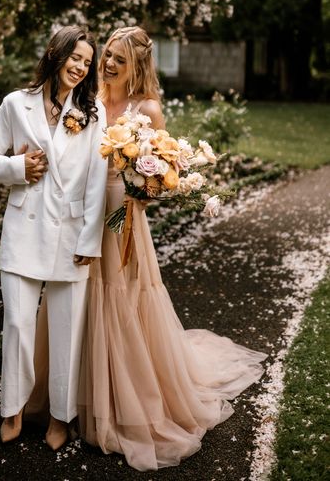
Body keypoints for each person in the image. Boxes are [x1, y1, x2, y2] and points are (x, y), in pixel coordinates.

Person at [77, 26, 267, 471]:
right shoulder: (87, 99)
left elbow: (161, 180)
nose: (107, 64)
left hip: (120, 221)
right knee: (80, 293)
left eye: (118, 60)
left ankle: (122, 397)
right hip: (79, 212)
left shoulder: (148, 110)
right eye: (106, 55)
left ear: (137, 66)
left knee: (119, 294)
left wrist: (139, 188)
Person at [0, 26, 108, 451]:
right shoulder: (16, 104)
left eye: (87, 63)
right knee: (16, 324)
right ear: (56, 53)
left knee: (67, 331)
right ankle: (12, 409)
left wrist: (89, 240)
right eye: (76, 57)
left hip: (71, 235)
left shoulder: (93, 112)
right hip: (23, 230)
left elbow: (96, 179)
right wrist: (18, 168)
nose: (80, 67)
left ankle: (59, 416)